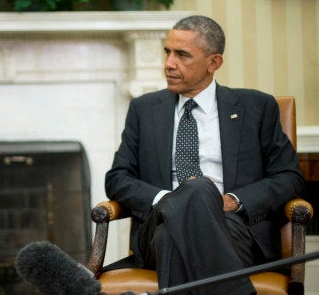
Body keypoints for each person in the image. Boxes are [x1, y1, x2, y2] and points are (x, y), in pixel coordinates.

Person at [104, 15, 304, 294]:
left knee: (172, 233)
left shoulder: (256, 107)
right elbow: (117, 178)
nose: (169, 64)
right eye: (168, 52)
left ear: (214, 62)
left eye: (182, 55)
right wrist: (169, 200)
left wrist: (235, 201)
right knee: (196, 189)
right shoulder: (144, 109)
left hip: (232, 225)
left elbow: (289, 177)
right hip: (158, 220)